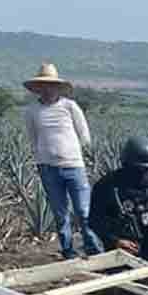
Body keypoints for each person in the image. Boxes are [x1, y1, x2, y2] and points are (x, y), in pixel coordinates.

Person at [23, 62, 103, 259]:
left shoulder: (70, 106)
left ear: (58, 87)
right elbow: (33, 138)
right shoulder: (32, 111)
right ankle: (68, 251)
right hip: (48, 168)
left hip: (74, 165)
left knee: (84, 211)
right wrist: (42, 157)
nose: (47, 89)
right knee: (60, 214)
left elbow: (84, 134)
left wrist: (75, 153)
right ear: (38, 88)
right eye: (44, 85)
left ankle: (93, 249)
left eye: (51, 85)